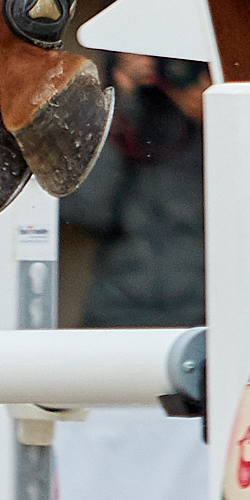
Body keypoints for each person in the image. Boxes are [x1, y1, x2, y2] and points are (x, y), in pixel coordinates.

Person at [61, 53, 208, 328]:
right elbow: (85, 211)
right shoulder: (117, 123)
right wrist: (120, 105)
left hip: (200, 315)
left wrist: (218, 121)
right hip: (117, 311)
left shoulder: (217, 124)